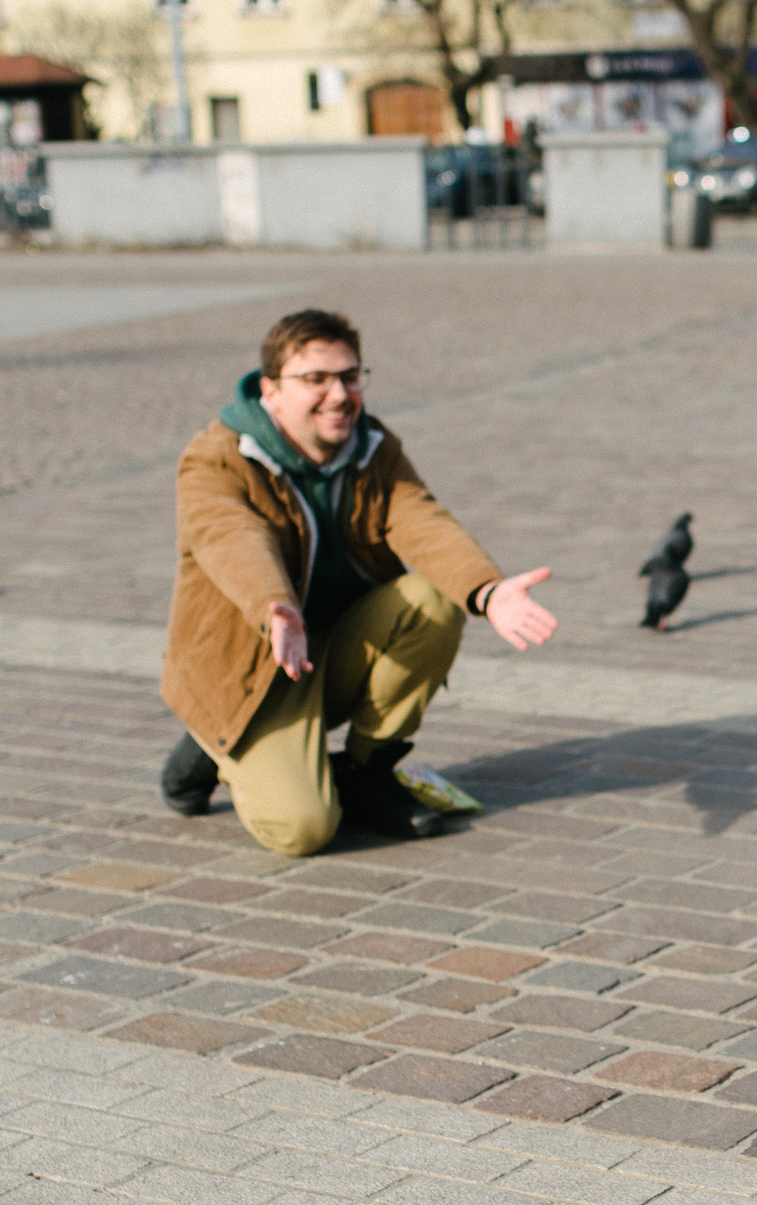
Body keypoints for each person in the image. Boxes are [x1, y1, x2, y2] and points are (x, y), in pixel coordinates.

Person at [157, 309, 558, 857]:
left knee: (431, 603)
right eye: (315, 380)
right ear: (271, 390)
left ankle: (367, 772)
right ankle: (212, 738)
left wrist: (486, 592)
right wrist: (275, 605)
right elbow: (230, 535)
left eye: (350, 376)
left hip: (330, 652)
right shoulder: (219, 458)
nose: (339, 395)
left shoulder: (372, 447)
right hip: (256, 661)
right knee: (302, 830)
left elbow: (420, 520)